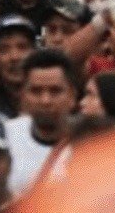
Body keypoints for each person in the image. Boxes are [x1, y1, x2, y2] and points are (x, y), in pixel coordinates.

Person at [5, 48, 79, 195]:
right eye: (36, 91)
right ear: (23, 96)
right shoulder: (4, 139)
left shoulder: (92, 144)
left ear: (72, 96)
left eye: (55, 91)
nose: (45, 100)